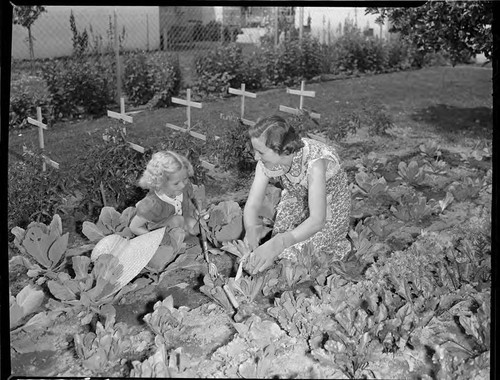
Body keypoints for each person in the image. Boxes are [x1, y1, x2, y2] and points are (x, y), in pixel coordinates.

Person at [243, 115, 351, 275]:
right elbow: (253, 204)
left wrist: (279, 243)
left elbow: (317, 220)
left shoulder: (316, 163)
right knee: (274, 253)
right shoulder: (266, 163)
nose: (256, 157)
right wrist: (251, 229)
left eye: (261, 152)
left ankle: (337, 248)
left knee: (291, 256)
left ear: (281, 149)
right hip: (297, 201)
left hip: (328, 211)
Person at [130, 150, 200, 269]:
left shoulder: (183, 189)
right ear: (160, 183)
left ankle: (184, 245)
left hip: (179, 228)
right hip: (160, 234)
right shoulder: (152, 204)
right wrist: (156, 240)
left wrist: (196, 212)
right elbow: (134, 227)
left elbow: (189, 205)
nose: (183, 185)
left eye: (185, 179)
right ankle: (170, 252)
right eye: (176, 183)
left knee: (196, 226)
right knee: (178, 221)